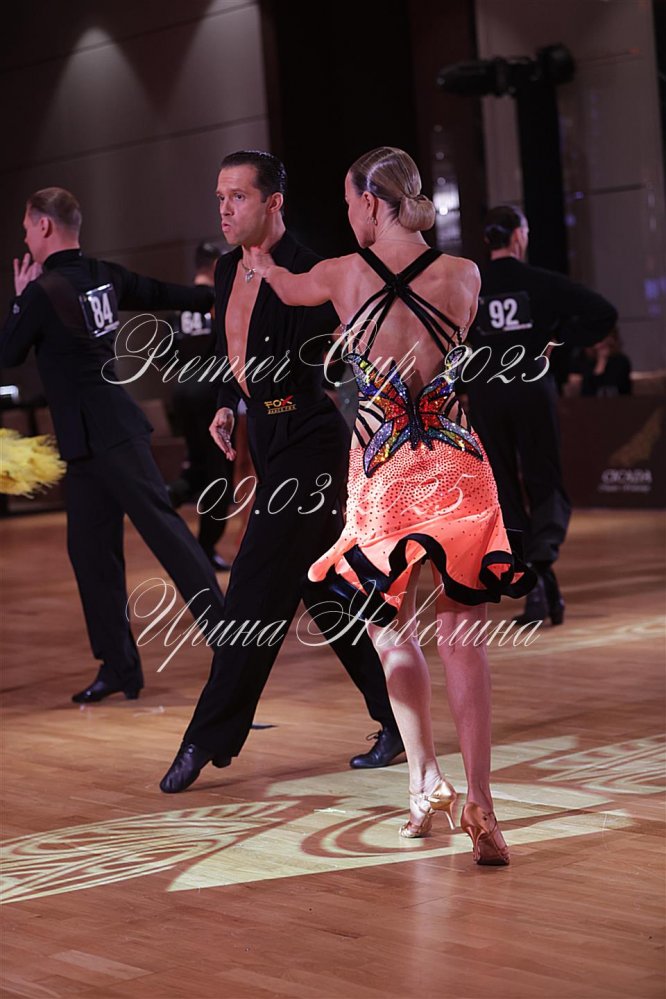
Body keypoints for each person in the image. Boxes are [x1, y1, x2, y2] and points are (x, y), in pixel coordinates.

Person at [248, 147, 535, 866]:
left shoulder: (343, 275)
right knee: (464, 636)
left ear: (373, 203)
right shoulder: (463, 275)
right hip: (458, 468)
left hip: (386, 475)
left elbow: (286, 287)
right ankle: (479, 802)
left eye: (351, 204)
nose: (349, 216)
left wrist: (260, 263)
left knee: (389, 630)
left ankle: (422, 779)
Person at [159, 150, 403, 794]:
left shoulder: (310, 269)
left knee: (251, 591)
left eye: (238, 197)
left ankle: (206, 739)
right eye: (220, 197)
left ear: (273, 203)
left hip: (311, 443)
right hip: (268, 440)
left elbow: (356, 352)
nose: (224, 209)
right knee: (323, 592)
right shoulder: (225, 270)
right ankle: (398, 716)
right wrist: (227, 403)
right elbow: (229, 348)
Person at [0, 187, 226, 704]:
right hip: (87, 445)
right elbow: (164, 293)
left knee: (170, 539)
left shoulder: (41, 292)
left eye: (27, 227)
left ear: (44, 226)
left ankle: (233, 648)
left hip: (111, 437)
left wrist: (19, 295)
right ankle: (119, 668)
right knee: (90, 554)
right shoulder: (104, 275)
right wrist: (215, 295)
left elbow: (8, 352)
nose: (25, 236)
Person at [464, 205, 618, 625]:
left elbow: (450, 338)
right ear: (519, 235)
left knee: (503, 486)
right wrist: (558, 337)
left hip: (487, 393)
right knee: (543, 477)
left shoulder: (470, 285)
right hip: (532, 389)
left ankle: (535, 580)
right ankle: (542, 562)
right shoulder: (541, 282)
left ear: (487, 240)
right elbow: (604, 313)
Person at [166, 241, 234, 571]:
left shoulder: (179, 307)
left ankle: (166, 499)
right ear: (217, 265)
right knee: (219, 474)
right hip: (211, 395)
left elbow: (165, 356)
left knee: (197, 466)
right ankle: (205, 549)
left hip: (181, 394)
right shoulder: (219, 302)